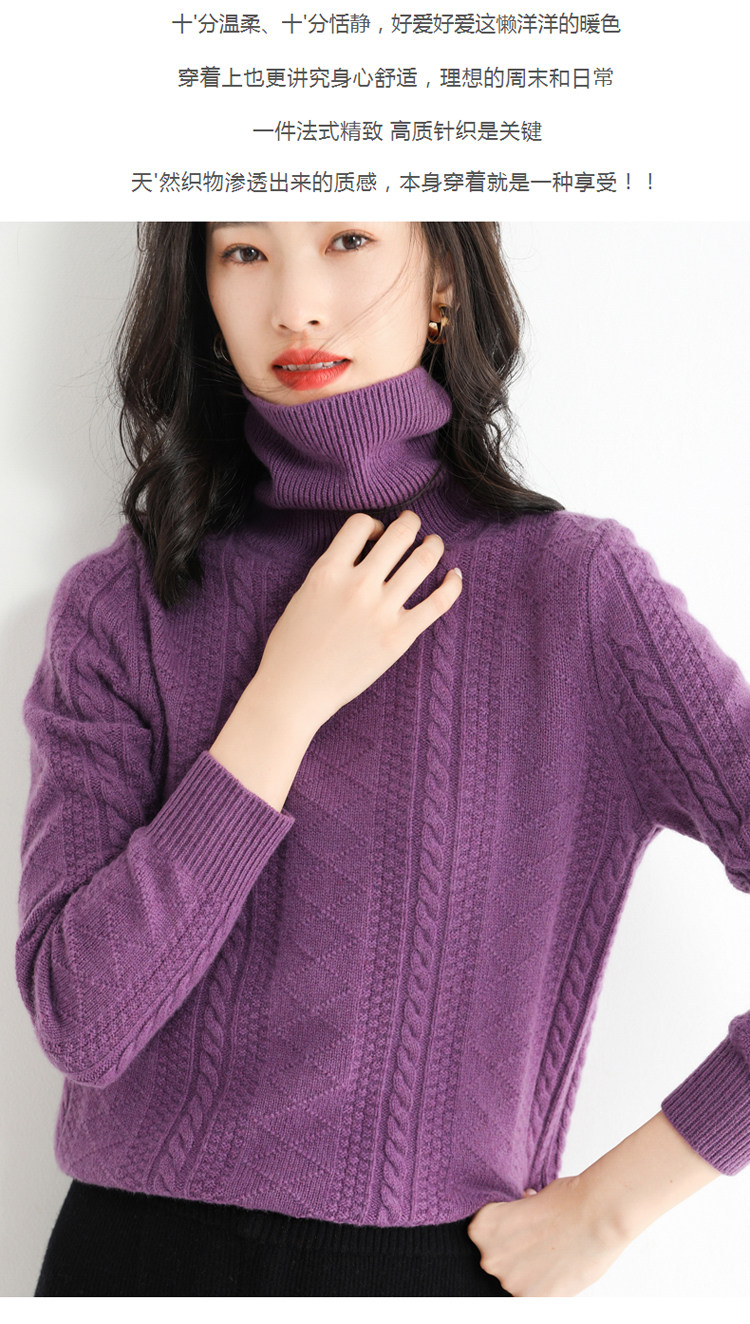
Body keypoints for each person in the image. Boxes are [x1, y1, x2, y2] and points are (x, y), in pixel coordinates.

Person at [16, 221, 750, 1298]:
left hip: (426, 1267)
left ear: (445, 276)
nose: (297, 305)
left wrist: (613, 1205)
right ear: (200, 289)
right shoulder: (123, 603)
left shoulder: (576, 592)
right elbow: (82, 1021)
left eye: (349, 238)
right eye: (244, 253)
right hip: (130, 1258)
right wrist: (282, 704)